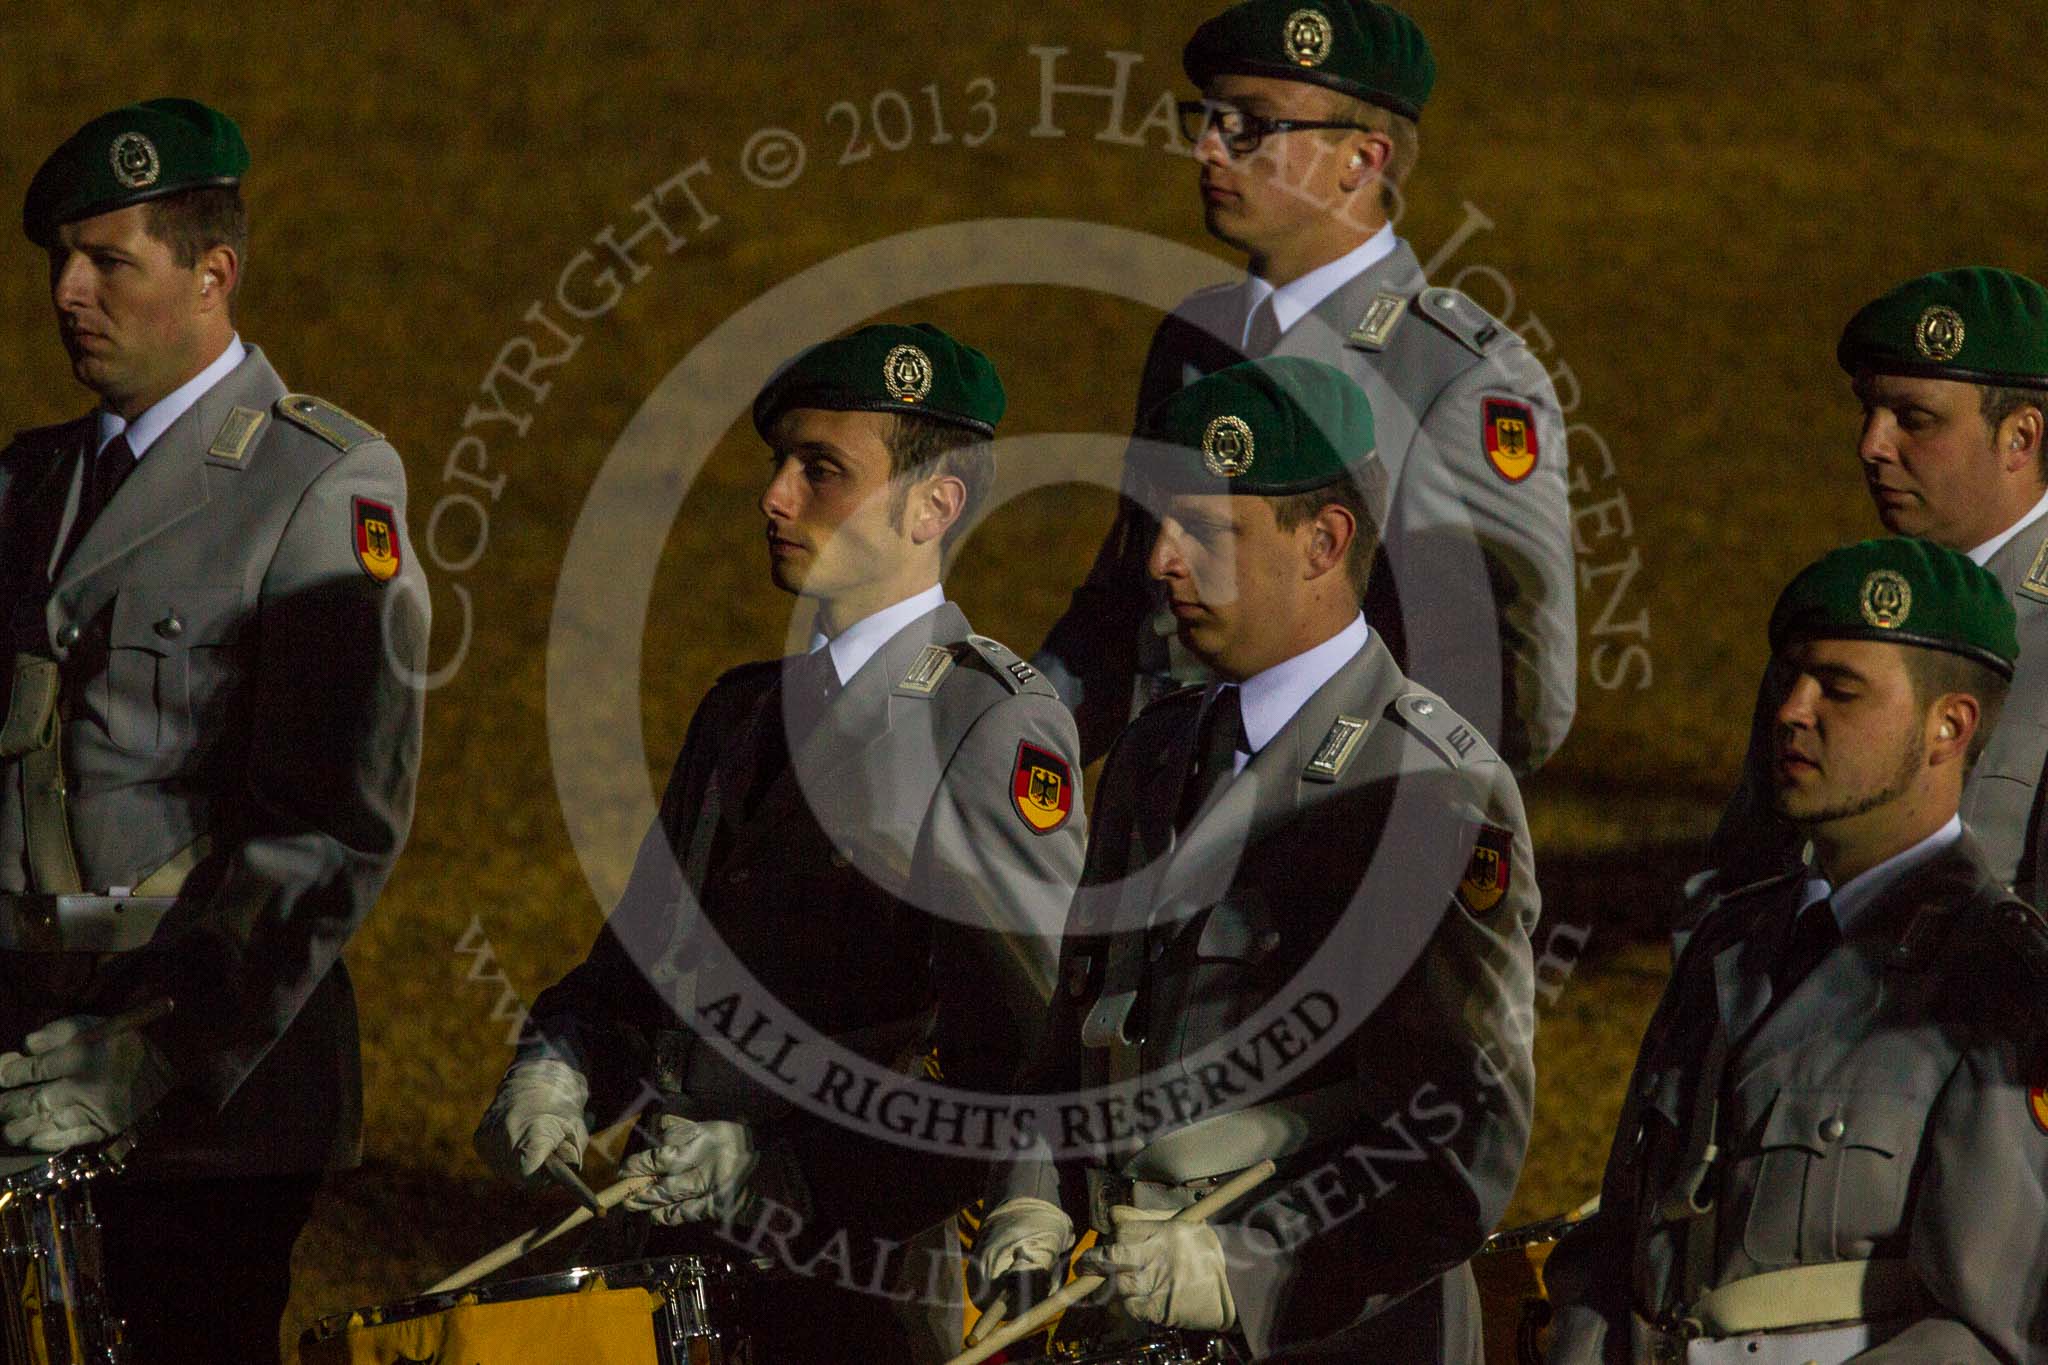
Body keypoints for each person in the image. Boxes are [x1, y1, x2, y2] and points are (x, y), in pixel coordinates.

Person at [473, 324, 1087, 1361]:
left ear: (932, 506)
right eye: (780, 465)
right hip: (676, 1270)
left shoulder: (982, 729)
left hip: (859, 1290)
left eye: (823, 472)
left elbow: (1019, 1069)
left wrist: (778, 1174)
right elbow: (634, 975)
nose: (775, 498)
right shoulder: (739, 714)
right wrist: (559, 1062)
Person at [976, 357, 1537, 1362]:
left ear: (1323, 543)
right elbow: (1074, 1042)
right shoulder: (1154, 755)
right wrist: (1031, 1202)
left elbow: (1458, 1138)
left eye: (1204, 530)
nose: (1158, 560)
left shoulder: (1420, 788)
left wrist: (1248, 1274)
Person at [0, 99, 429, 1361]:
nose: (69, 292)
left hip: (209, 1105)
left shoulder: (321, 487)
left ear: (212, 274)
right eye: (60, 263)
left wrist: (166, 1053)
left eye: (109, 262)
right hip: (22, 1057)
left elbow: (333, 825)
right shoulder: (24, 486)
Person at [1035, 0, 1576, 776]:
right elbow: (1123, 614)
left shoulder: (1458, 379)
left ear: (1363, 159)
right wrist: (994, 744)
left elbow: (1516, 693)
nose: (1207, 149)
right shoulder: (1192, 340)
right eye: (1208, 117)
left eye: (1251, 125)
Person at [1546, 538, 2048, 1362]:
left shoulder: (1997, 986)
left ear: (1947, 726)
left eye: (1839, 690)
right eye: (1787, 677)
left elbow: (1992, 1336)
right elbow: (1621, 1240)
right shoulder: (1730, 939)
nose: (1790, 710)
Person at [1708, 268, 2048, 903]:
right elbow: (1739, 878)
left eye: (1913, 419)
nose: (1871, 445)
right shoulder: (1844, 608)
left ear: (2019, 438)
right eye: (1870, 410)